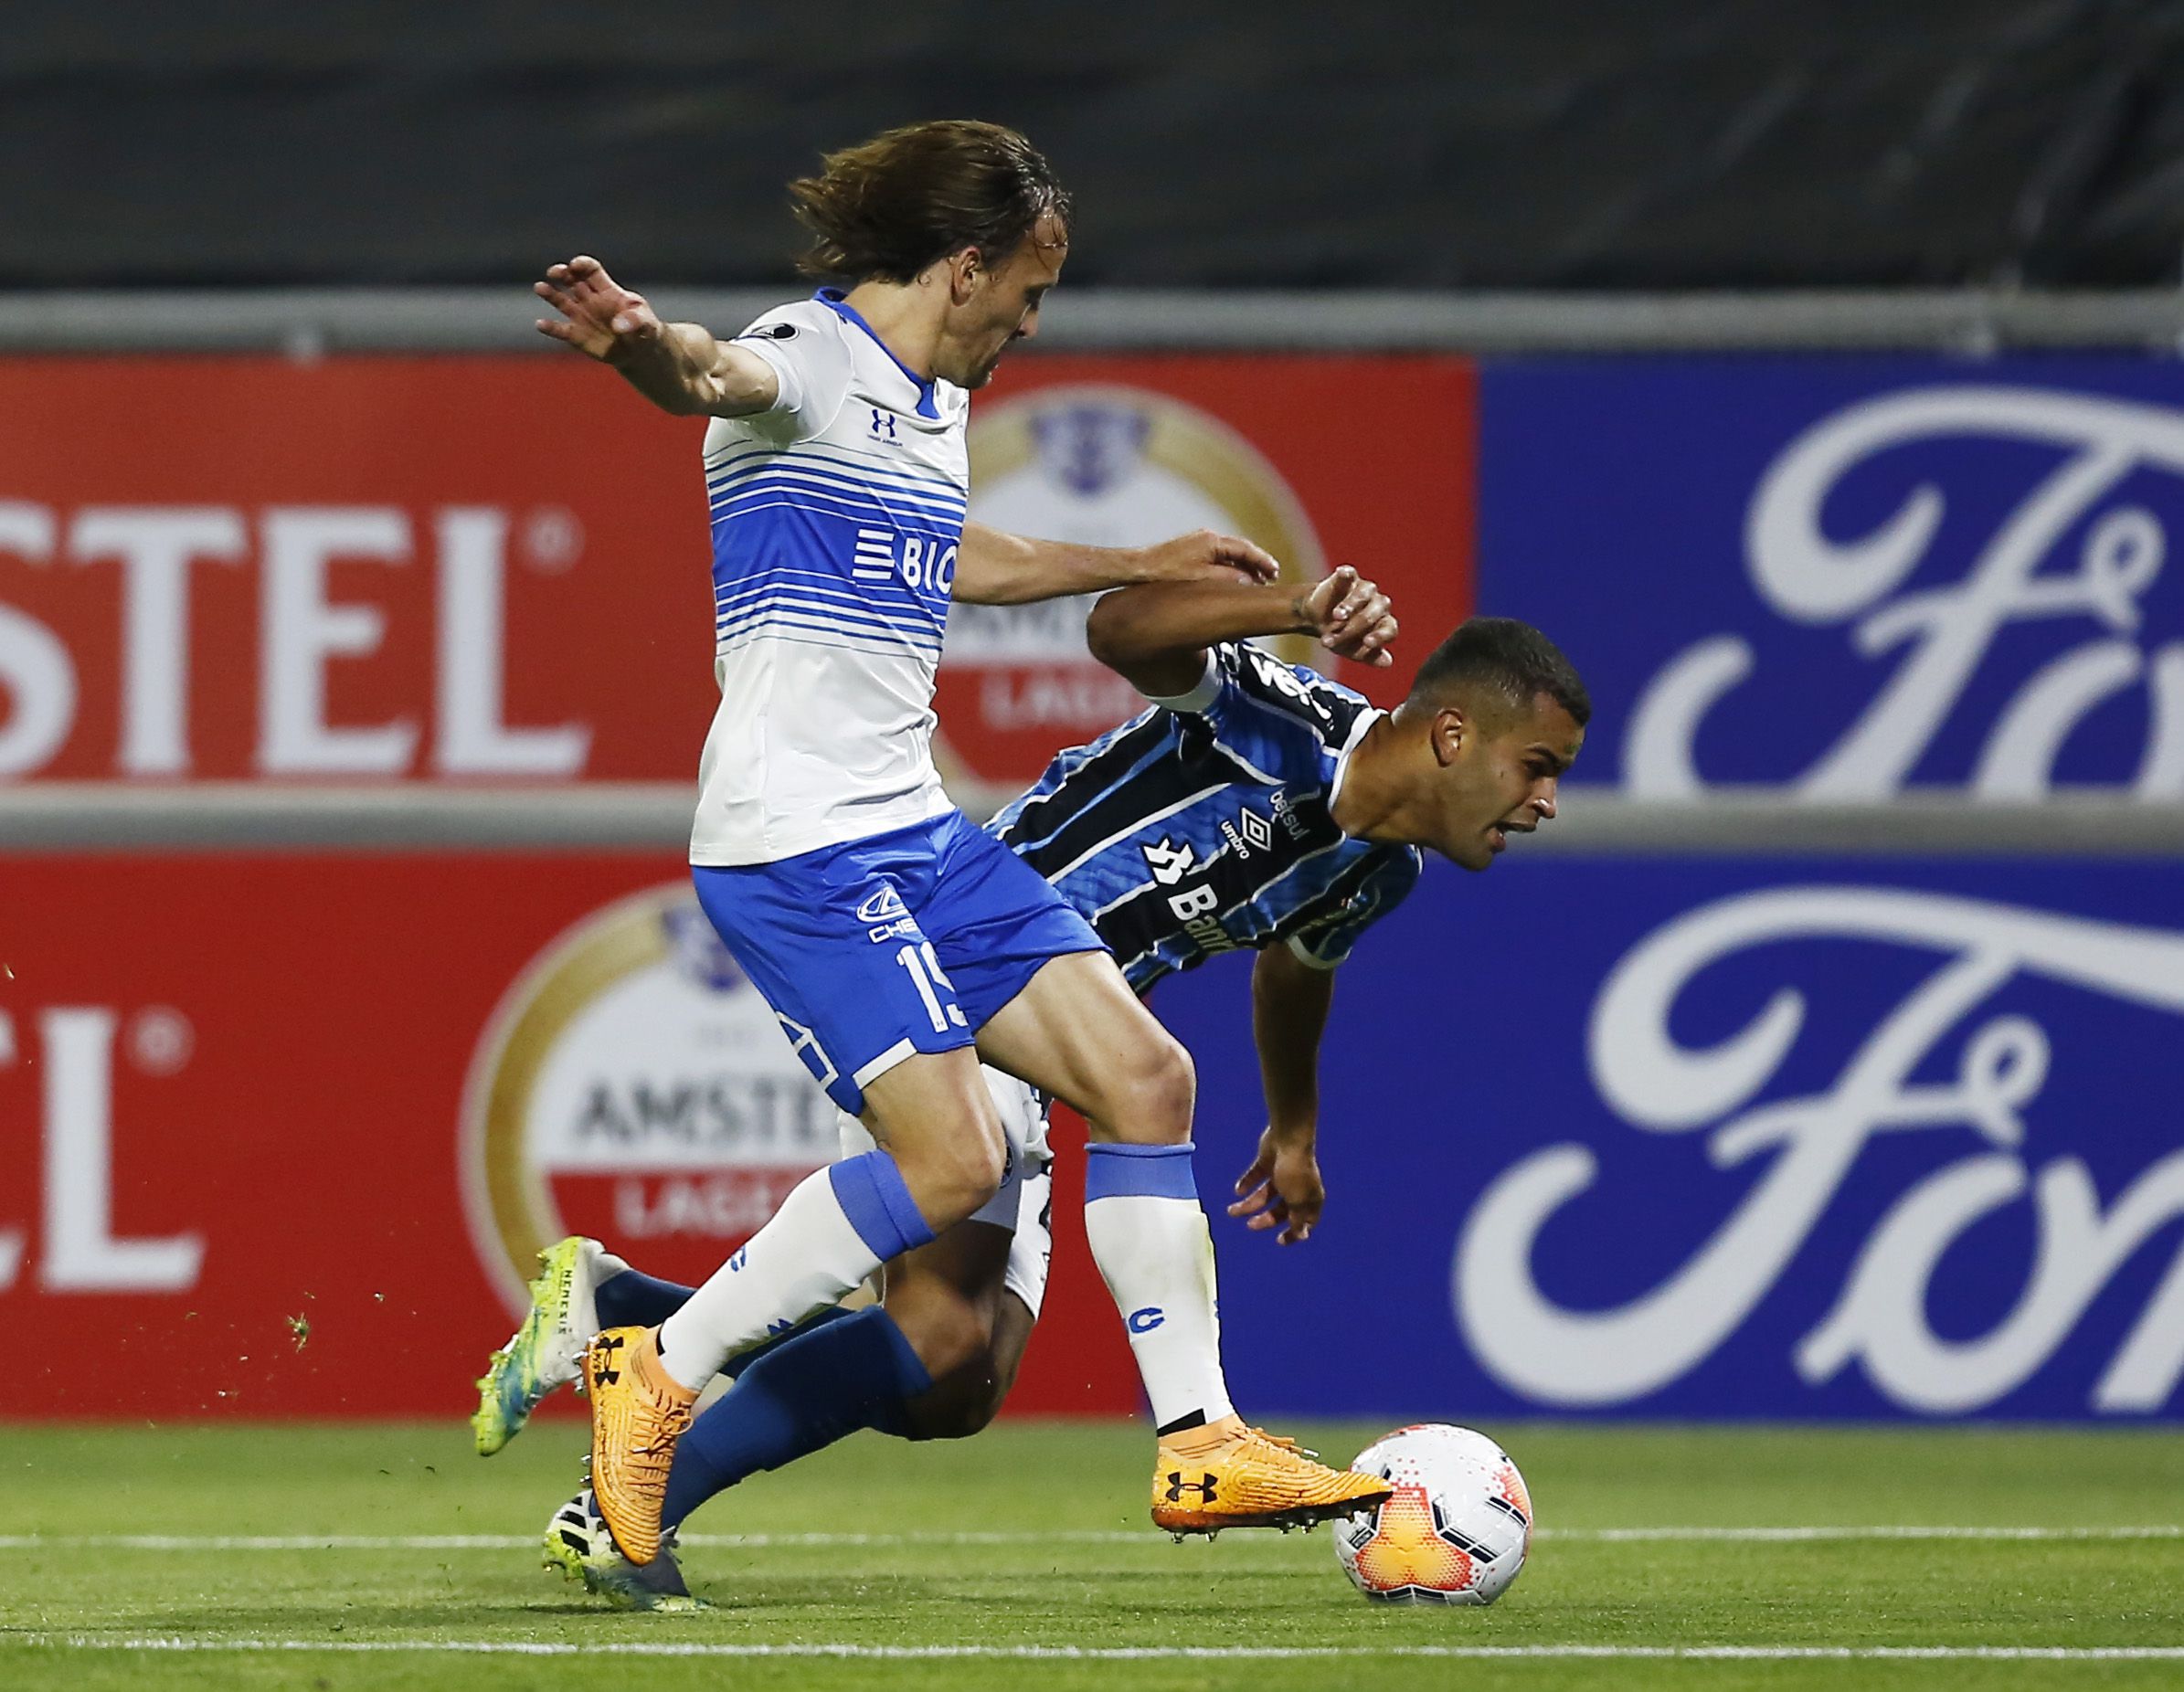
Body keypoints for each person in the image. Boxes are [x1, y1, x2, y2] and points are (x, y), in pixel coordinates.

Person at [525, 118, 1393, 1581]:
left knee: (1144, 1076)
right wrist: (632, 343)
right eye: (1030, 293)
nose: (1031, 324)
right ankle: (655, 1369)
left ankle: (1199, 1443)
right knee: (952, 1158)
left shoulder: (925, 408)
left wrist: (1139, 558)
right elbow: (703, 373)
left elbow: (957, 555)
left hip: (912, 829)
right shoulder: (805, 351)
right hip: (795, 841)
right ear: (969, 264)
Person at [485, 570, 1590, 1609]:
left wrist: (1292, 1127)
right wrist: (1287, 602)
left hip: (1056, 1048)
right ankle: (622, 1509)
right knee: (940, 1327)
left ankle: (615, 1312)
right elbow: (1119, 630)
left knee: (955, 1384)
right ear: (1452, 735)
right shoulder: (1282, 720)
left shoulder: (1377, 866)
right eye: (1536, 764)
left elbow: (1293, 967)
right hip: (957, 974)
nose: (1545, 800)